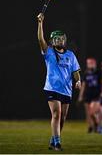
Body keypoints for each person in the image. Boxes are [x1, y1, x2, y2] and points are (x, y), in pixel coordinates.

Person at [37, 13, 81, 150]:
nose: (59, 40)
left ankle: (53, 139)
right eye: (56, 38)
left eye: (61, 38)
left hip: (66, 90)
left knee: (62, 118)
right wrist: (40, 23)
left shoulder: (70, 55)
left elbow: (76, 72)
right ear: (52, 41)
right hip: (52, 88)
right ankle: (57, 143)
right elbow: (40, 39)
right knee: (56, 114)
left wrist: (78, 81)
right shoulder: (48, 52)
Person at [78, 58, 102, 133]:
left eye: (91, 63)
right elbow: (83, 85)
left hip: (96, 95)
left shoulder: (99, 72)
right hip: (87, 95)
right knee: (88, 113)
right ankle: (91, 127)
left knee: (92, 112)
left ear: (94, 64)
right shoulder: (86, 73)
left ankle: (98, 125)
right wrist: (80, 95)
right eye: (88, 63)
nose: (89, 64)